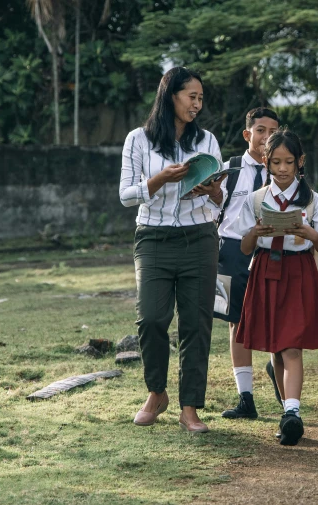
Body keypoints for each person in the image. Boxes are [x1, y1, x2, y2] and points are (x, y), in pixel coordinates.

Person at [119, 66, 224, 434]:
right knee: (151, 318)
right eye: (190, 96)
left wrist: (211, 190)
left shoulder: (207, 140)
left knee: (196, 324)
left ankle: (190, 407)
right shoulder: (138, 139)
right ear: (170, 95)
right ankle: (156, 392)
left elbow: (218, 202)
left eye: (200, 98)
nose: (197, 104)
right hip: (153, 238)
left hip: (199, 238)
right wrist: (162, 178)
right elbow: (126, 195)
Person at [232, 129, 318, 446]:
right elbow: (245, 247)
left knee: (291, 345)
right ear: (266, 161)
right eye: (276, 162)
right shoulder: (256, 199)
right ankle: (286, 411)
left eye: (289, 161)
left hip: (298, 271)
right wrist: (256, 231)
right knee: (277, 347)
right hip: (265, 269)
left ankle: (293, 412)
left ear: (300, 162)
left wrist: (307, 231)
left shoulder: (313, 200)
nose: (282, 168)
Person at [214, 107, 283, 420]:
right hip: (232, 251)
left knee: (275, 318)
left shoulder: (283, 171)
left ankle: (278, 370)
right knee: (236, 321)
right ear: (247, 134)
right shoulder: (230, 168)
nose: (266, 137)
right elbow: (215, 207)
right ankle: (246, 398)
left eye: (273, 132)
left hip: (271, 251)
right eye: (260, 130)